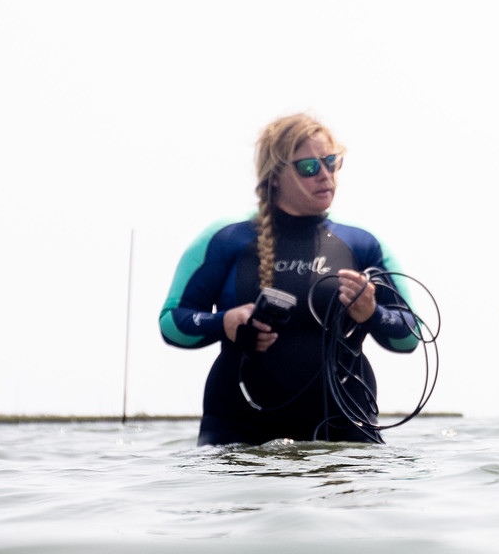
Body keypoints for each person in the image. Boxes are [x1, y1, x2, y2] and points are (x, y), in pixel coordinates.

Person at [159, 113, 419, 445]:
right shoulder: (226, 240)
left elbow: (411, 336)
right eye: (309, 167)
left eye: (331, 162)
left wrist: (372, 313)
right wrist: (224, 323)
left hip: (344, 434)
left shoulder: (363, 245)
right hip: (238, 433)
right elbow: (172, 322)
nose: (325, 175)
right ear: (276, 176)